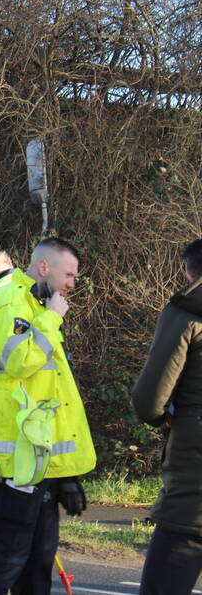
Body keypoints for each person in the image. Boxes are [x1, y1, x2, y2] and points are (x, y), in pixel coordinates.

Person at [0, 237, 96, 595]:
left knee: (36, 559)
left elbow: (48, 392)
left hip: (32, 455)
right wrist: (51, 318)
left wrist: (65, 475)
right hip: (14, 455)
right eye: (68, 275)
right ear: (43, 267)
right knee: (7, 556)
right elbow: (18, 363)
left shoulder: (32, 301)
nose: (72, 284)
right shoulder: (13, 301)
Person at [132, 238, 202, 595]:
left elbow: (149, 400)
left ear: (189, 274)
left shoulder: (186, 312)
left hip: (193, 494)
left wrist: (165, 416)